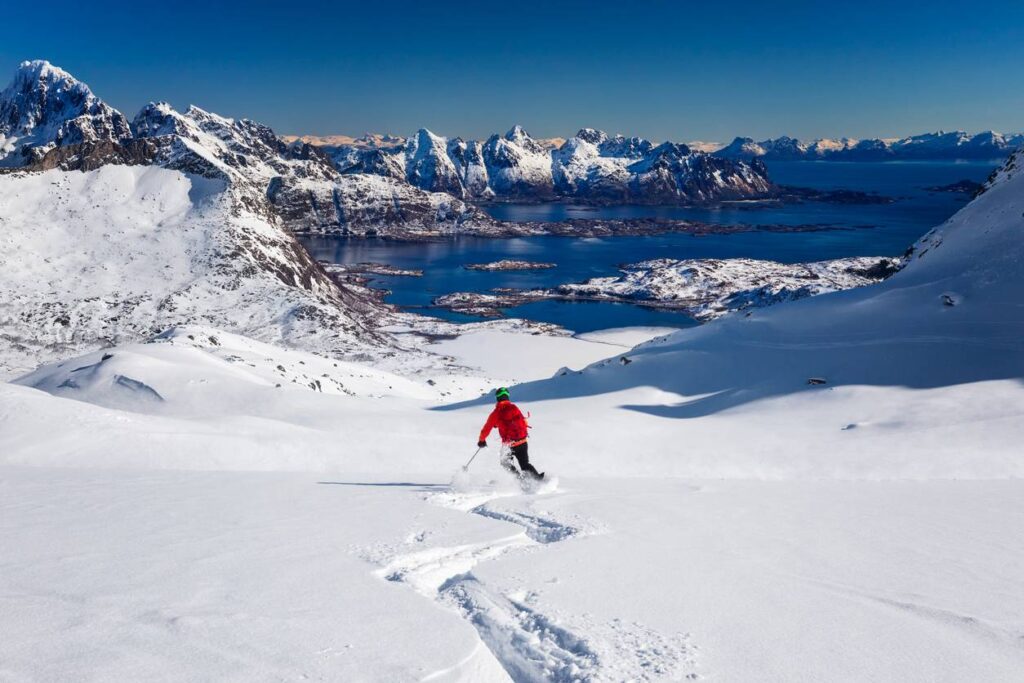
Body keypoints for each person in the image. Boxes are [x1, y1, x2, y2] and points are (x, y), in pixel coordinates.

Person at [477, 387, 544, 480]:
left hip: (509, 445)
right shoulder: (514, 407)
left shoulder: (496, 413)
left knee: (505, 463)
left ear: (497, 398)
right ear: (507, 397)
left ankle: (519, 480)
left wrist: (481, 440)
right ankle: (538, 479)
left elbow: (486, 428)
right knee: (525, 465)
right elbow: (523, 421)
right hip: (523, 441)